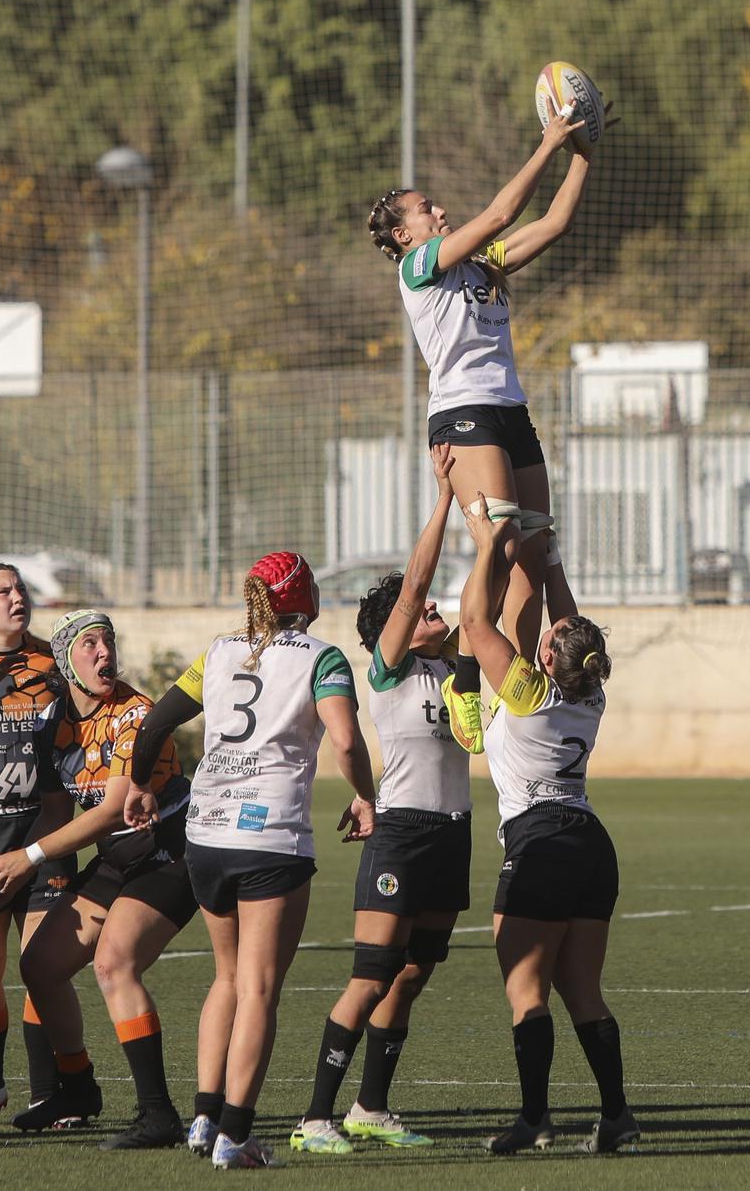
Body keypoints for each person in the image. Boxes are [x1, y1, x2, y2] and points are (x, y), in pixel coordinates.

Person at [125, 551, 378, 1170]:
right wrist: (369, 795)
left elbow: (154, 724)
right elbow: (344, 738)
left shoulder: (217, 651)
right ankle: (236, 1137)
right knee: (260, 989)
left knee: (228, 979)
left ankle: (205, 1118)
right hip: (269, 836)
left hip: (205, 833)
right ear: (303, 596)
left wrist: (139, 785)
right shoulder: (322, 658)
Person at [368, 102, 599, 660]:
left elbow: (554, 224)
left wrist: (584, 153)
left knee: (536, 552)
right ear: (404, 233)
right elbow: (499, 214)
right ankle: (470, 675)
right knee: (503, 541)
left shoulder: (480, 265)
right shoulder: (417, 267)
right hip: (462, 412)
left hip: (510, 409)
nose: (439, 210)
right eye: (426, 209)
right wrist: (548, 143)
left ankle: (515, 690)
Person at [448, 495, 637, 1156]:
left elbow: (473, 619)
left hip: (540, 841)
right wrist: (548, 555)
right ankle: (615, 1114)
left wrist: (489, 543)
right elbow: (570, 623)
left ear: (548, 657)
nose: (544, 635)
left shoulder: (527, 688)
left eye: (547, 640)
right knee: (582, 990)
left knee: (528, 993)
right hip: (589, 843)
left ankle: (534, 1117)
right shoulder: (592, 691)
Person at [295, 449, 470, 1154]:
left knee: (412, 973)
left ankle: (371, 1105)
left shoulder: (455, 662)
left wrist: (511, 541)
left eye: (431, 607)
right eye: (418, 608)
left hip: (451, 833)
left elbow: (491, 607)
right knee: (370, 975)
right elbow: (418, 583)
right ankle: (314, 1116)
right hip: (399, 832)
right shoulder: (388, 668)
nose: (432, 607)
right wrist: (445, 498)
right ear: (388, 628)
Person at [0, 609, 198, 1149]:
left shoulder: (136, 712)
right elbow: (56, 812)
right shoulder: (56, 725)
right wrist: (35, 864)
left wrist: (27, 857)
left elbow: (113, 807)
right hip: (119, 859)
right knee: (40, 966)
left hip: (172, 849)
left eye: (108, 642)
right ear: (66, 661)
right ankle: (77, 1087)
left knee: (113, 963)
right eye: (89, 644)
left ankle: (157, 1114)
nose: (104, 653)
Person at [0, 561, 89, 1131]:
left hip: (44, 837)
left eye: (21, 589)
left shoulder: (53, 665)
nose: (18, 598)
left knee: (41, 967)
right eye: (3, 591)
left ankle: (50, 1093)